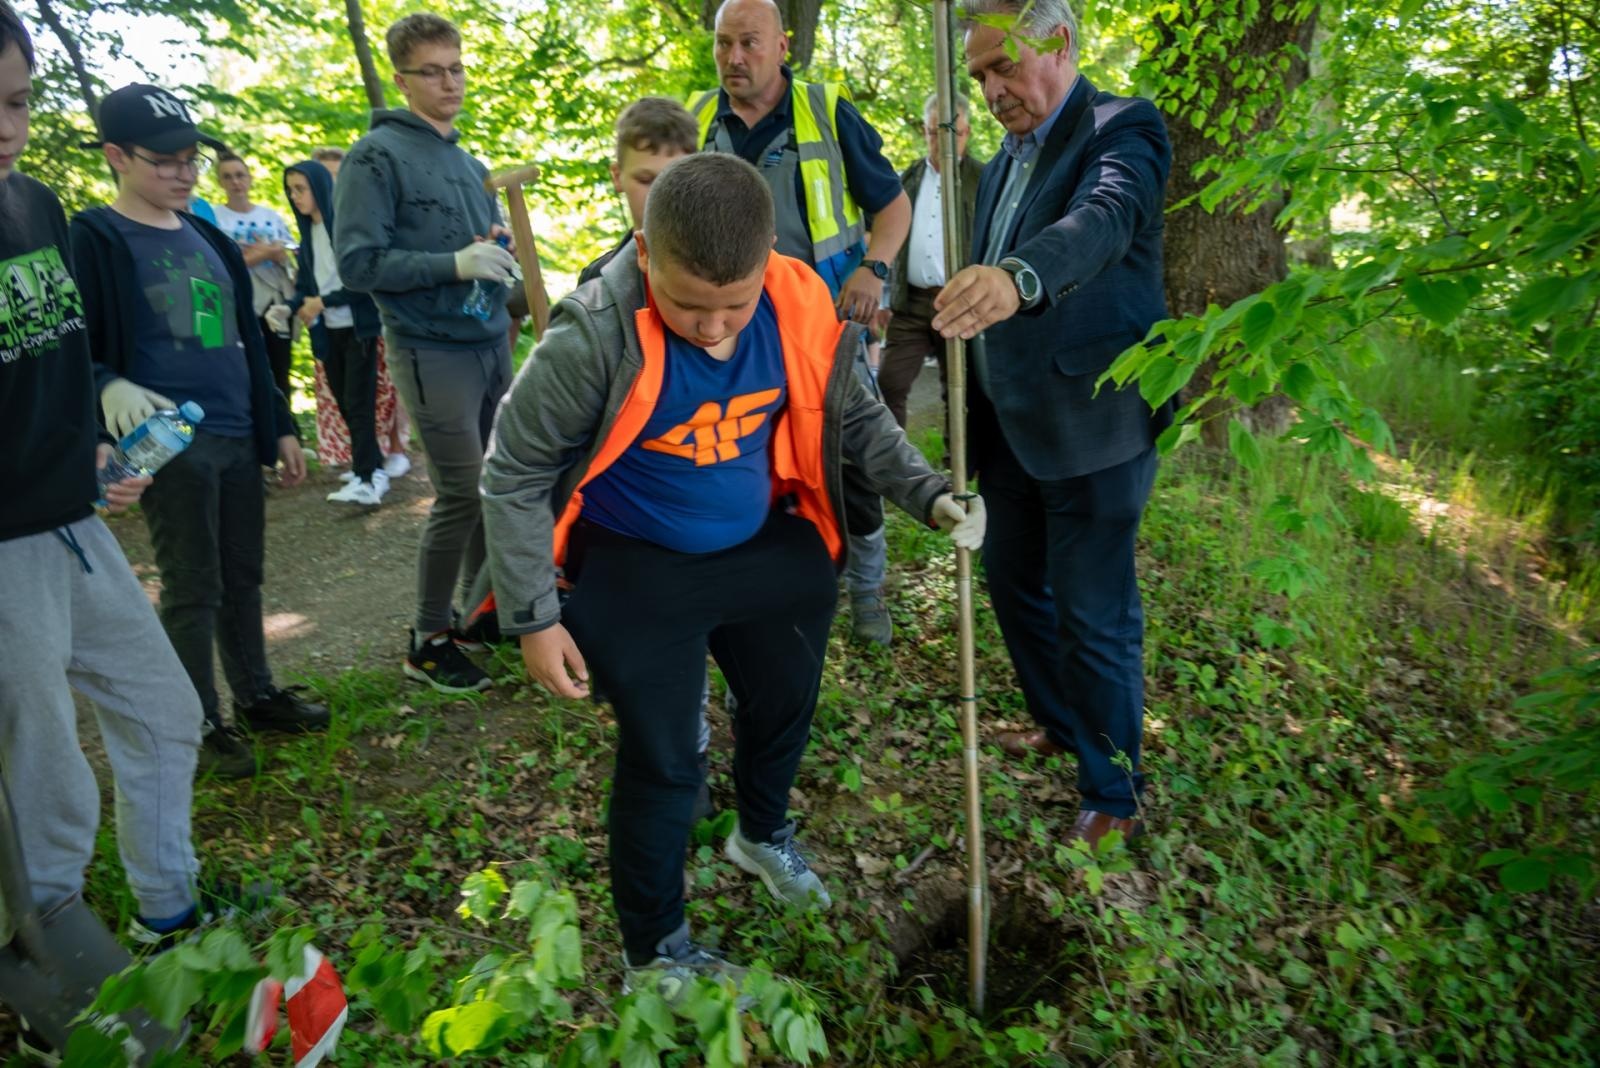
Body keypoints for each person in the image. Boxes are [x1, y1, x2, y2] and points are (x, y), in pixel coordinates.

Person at [481, 153, 985, 996]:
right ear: (647, 254)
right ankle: (656, 951)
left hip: (760, 543)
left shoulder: (796, 300)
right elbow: (515, 471)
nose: (714, 328)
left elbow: (855, 413)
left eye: (733, 305)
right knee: (666, 759)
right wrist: (534, 617)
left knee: (785, 701)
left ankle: (760, 834)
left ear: (766, 267)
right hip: (636, 561)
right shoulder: (594, 329)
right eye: (689, 306)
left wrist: (930, 493)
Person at [0, 6, 210, 996]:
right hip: (4, 549)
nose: (5, 126)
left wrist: (94, 433)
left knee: (165, 712)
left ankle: (170, 909)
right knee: (41, 774)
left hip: (73, 524)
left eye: (17, 101)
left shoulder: (33, 206)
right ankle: (51, 968)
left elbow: (53, 358)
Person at [931, 0, 1173, 850]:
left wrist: (1019, 278)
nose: (993, 90)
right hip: (1009, 425)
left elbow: (1104, 221)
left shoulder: (1122, 129)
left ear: (1060, 42)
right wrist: (952, 173)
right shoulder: (1003, 160)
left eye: (1005, 66)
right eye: (980, 76)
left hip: (1093, 426)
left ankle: (1113, 788)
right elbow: (977, 239)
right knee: (1010, 580)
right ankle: (1059, 721)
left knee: (1093, 612)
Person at [70, 82, 331, 780]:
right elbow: (80, 347)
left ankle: (256, 693)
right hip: (165, 443)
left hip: (236, 431)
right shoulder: (94, 238)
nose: (185, 172)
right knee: (193, 583)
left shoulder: (207, 233)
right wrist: (107, 396)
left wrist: (276, 424)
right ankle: (198, 722)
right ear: (116, 156)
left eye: (191, 158)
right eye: (166, 161)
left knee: (242, 572)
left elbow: (238, 337)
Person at [691, 0, 914, 648]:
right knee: (746, 465)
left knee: (854, 460)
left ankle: (868, 589)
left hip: (824, 331)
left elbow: (893, 207)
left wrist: (875, 268)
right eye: (724, 44)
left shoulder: (827, 109)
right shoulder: (699, 120)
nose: (735, 58)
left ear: (783, 45)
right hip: (730, 337)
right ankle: (763, 594)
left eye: (750, 43)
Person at [336, 11, 517, 695]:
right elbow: (359, 262)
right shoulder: (374, 155)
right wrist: (453, 264)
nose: (450, 82)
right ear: (401, 77)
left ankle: (473, 612)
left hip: (487, 338)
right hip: (429, 348)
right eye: (433, 71)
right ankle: (426, 636)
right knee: (458, 493)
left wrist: (491, 253)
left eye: (457, 67)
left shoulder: (465, 159)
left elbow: (469, 248)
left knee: (493, 484)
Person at [281, 159, 390, 506]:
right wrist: (289, 306)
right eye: (291, 190)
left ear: (319, 188)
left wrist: (322, 302)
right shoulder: (307, 234)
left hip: (357, 327)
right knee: (345, 401)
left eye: (301, 188)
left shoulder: (343, 229)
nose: (295, 196)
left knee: (359, 403)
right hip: (327, 333)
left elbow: (363, 282)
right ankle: (370, 467)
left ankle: (367, 478)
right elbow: (306, 284)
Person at [878, 92, 984, 432]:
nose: (943, 139)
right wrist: (884, 297)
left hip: (962, 302)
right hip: (910, 302)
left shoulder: (985, 179)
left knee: (961, 391)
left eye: (952, 130)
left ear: (966, 133)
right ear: (925, 132)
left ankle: (959, 471)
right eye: (935, 131)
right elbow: (886, 236)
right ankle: (898, 473)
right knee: (890, 382)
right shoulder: (905, 179)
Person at [213, 152, 298, 399]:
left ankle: (286, 427)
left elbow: (291, 257)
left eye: (240, 175)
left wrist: (270, 253)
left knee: (280, 367)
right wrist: (263, 253)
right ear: (220, 182)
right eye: (227, 177)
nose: (235, 182)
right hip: (237, 305)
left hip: (275, 305)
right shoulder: (215, 219)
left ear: (250, 178)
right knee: (245, 367)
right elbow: (218, 265)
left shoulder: (270, 217)